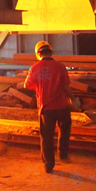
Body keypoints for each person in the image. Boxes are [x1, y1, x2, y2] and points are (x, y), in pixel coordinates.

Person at [24, 41, 76, 173]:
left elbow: (27, 85)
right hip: (62, 105)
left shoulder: (35, 68)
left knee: (46, 136)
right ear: (50, 52)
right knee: (64, 131)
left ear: (38, 54)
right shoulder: (60, 66)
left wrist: (41, 84)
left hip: (46, 108)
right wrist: (73, 99)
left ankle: (49, 164)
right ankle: (63, 155)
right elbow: (66, 87)